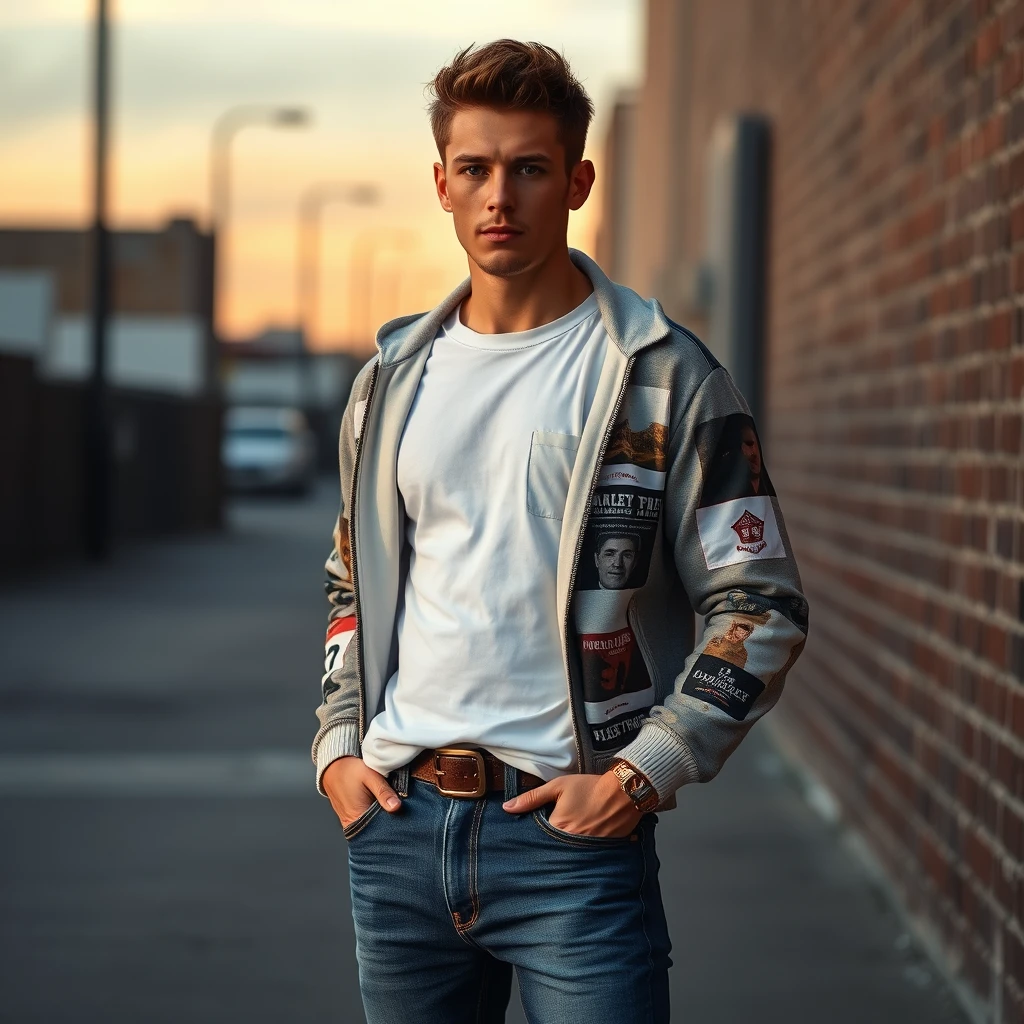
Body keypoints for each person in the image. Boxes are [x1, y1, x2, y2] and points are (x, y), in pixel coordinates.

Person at [312, 39, 809, 1024]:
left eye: (530, 169)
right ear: (442, 185)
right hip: (400, 828)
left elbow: (760, 602)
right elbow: (350, 586)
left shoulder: (660, 375)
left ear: (577, 180)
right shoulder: (390, 383)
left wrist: (643, 770)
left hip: (572, 840)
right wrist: (337, 748)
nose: (501, 196)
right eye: (477, 170)